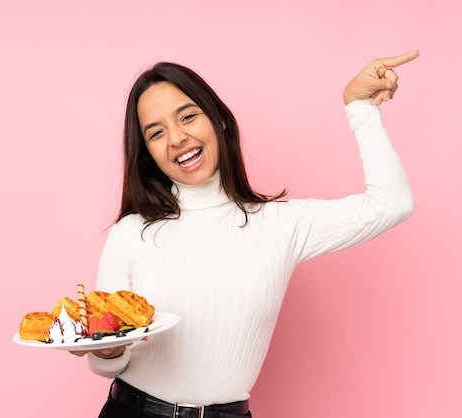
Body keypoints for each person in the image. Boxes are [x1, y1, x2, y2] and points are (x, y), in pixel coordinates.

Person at [74, 50, 420, 418]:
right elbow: (106, 363)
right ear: (149, 155)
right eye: (156, 133)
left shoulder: (280, 224)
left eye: (188, 116)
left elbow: (391, 204)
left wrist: (359, 107)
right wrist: (107, 351)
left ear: (220, 121)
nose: (176, 138)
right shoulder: (131, 232)